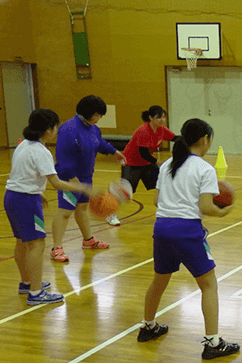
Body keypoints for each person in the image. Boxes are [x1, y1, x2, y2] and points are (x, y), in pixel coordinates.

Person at [137, 118, 240, 360]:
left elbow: (155, 201)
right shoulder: (204, 169)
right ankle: (213, 343)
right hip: (187, 231)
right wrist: (224, 211)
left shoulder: (167, 165)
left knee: (159, 282)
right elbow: (206, 207)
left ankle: (148, 326)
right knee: (209, 285)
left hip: (161, 228)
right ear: (205, 139)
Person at [4, 109, 91, 305]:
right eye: (55, 126)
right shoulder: (41, 151)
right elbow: (57, 183)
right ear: (49, 130)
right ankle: (35, 293)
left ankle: (26, 283)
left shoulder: (23, 145)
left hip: (13, 197)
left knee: (21, 242)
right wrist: (82, 188)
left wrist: (38, 192)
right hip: (26, 201)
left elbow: (23, 173)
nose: (56, 129)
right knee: (37, 244)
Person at [49, 96, 125, 262]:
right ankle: (56, 248)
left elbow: (99, 143)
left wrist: (114, 152)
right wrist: (74, 182)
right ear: (90, 113)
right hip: (70, 179)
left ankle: (88, 240)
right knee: (65, 212)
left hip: (86, 176)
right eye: (98, 115)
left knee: (82, 207)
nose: (99, 119)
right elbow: (62, 160)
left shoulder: (93, 128)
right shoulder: (68, 130)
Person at [106, 106, 176, 226]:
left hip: (147, 164)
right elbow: (143, 153)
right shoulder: (143, 131)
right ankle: (110, 214)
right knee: (125, 191)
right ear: (150, 117)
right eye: (159, 117)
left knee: (163, 183)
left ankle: (168, 212)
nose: (162, 119)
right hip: (131, 163)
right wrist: (157, 162)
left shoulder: (162, 130)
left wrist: (188, 139)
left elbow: (175, 138)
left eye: (163, 116)